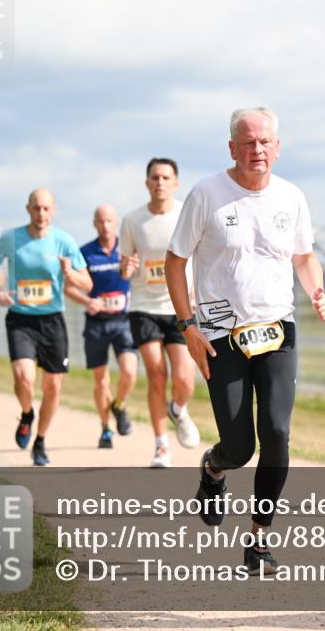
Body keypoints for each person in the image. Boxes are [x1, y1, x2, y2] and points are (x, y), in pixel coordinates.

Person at [166, 107, 325, 575]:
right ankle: (214, 470)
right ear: (232, 148)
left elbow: (304, 257)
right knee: (239, 447)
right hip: (221, 335)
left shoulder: (292, 196)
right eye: (248, 142)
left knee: (277, 432)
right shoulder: (206, 194)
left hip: (277, 329)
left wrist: (317, 290)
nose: (257, 150)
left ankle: (258, 542)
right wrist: (188, 327)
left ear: (277, 147)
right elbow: (176, 262)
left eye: (265, 142)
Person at [0, 188, 92, 466]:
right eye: (36, 208)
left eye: (46, 208)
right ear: (28, 209)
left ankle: (40, 441)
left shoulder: (64, 241)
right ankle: (27, 413)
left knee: (53, 387)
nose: (41, 214)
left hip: (52, 320)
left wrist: (69, 273)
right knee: (24, 377)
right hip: (20, 318)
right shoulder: (11, 238)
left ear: (53, 210)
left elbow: (87, 284)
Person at [120, 158, 200, 468]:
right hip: (144, 306)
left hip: (179, 306)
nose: (160, 182)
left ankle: (178, 409)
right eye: (155, 177)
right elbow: (125, 266)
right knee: (156, 373)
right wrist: (126, 268)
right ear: (147, 182)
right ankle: (161, 446)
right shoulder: (132, 221)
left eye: (166, 177)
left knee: (185, 378)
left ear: (176, 183)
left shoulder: (185, 214)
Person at [66, 204, 138, 448]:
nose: (105, 226)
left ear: (116, 222)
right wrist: (88, 301)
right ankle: (106, 428)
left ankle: (119, 404)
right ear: (94, 224)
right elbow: (68, 287)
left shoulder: (127, 248)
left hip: (123, 321)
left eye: (109, 221)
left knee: (129, 371)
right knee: (101, 380)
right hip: (96, 323)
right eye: (100, 221)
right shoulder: (85, 252)